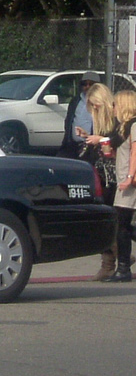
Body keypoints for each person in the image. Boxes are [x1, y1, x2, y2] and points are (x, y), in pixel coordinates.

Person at [77, 83, 118, 280]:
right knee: (105, 219)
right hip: (101, 173)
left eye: (96, 106)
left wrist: (100, 139)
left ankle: (114, 259)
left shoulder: (116, 117)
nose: (94, 110)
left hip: (114, 175)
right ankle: (111, 260)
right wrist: (88, 137)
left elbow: (118, 140)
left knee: (115, 219)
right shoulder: (100, 120)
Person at [103, 89, 136, 282]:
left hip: (129, 182)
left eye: (115, 104)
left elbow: (135, 153)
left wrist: (130, 177)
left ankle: (123, 269)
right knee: (121, 224)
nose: (113, 108)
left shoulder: (133, 125)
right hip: (124, 179)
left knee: (121, 224)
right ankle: (123, 268)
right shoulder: (123, 127)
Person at [58, 71, 100, 159]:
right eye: (84, 84)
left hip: (91, 147)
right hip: (73, 145)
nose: (87, 87)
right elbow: (69, 121)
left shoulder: (100, 103)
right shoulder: (76, 101)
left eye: (91, 84)